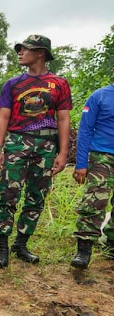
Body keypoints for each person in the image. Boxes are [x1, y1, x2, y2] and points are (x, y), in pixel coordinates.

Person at [0, 35, 71, 268]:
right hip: (17, 142)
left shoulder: (59, 84)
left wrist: (63, 153)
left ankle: (21, 243)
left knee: (36, 197)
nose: (20, 52)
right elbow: (3, 117)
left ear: (40, 53)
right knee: (8, 195)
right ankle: (2, 246)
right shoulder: (13, 84)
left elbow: (63, 118)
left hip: (47, 146)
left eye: (25, 49)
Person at [70, 81, 114, 268]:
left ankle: (111, 244)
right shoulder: (99, 96)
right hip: (102, 156)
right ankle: (84, 249)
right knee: (94, 200)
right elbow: (85, 129)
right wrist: (81, 164)